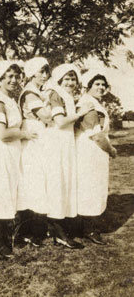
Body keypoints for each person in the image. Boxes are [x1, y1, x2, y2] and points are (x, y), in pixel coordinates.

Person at [0, 60, 37, 257]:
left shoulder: (11, 100)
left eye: (16, 76)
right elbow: (2, 134)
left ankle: (7, 239)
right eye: (9, 77)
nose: (14, 80)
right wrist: (24, 134)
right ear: (0, 79)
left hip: (12, 152)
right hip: (1, 152)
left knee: (9, 193)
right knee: (0, 194)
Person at [44, 63, 93, 249]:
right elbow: (60, 121)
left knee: (66, 182)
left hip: (66, 142)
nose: (71, 82)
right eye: (67, 79)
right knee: (58, 182)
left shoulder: (68, 96)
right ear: (59, 80)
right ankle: (58, 232)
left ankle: (60, 229)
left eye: (73, 79)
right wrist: (80, 113)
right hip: (56, 141)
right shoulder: (55, 93)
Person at [76, 70, 117, 245]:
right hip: (90, 150)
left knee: (91, 186)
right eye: (97, 84)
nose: (101, 87)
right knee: (91, 187)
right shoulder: (89, 104)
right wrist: (112, 150)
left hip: (92, 150)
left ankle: (87, 225)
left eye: (103, 84)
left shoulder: (93, 102)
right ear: (89, 86)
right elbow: (97, 136)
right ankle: (90, 229)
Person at [17, 57, 52, 246]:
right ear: (32, 73)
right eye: (41, 72)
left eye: (47, 72)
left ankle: (35, 228)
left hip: (38, 137)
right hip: (33, 137)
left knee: (38, 180)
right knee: (32, 180)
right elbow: (45, 116)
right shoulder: (30, 93)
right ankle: (28, 231)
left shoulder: (38, 92)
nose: (45, 75)